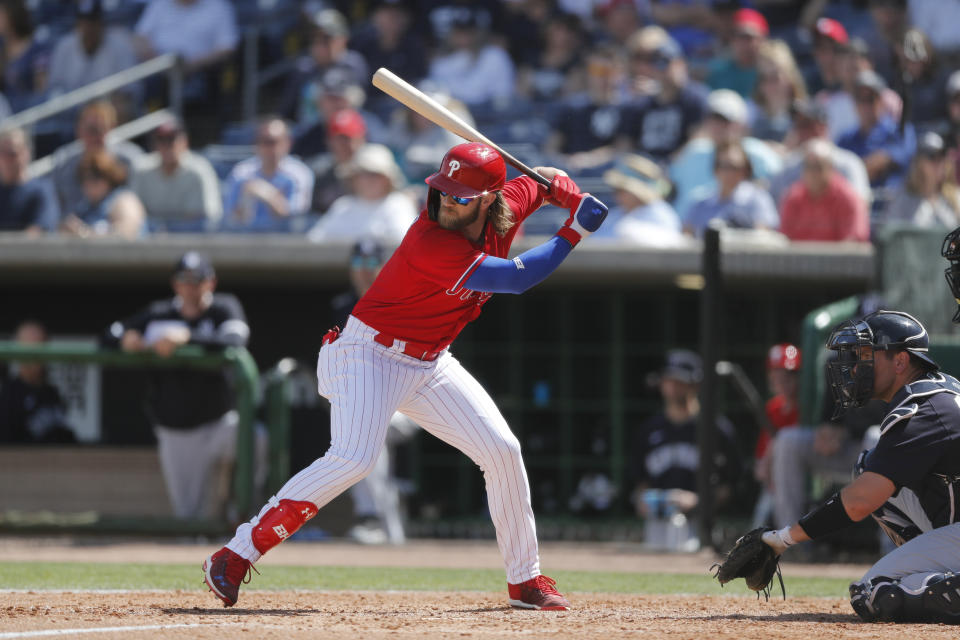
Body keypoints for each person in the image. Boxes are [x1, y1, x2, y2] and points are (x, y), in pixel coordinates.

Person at [202, 141, 609, 611]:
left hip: (429, 360)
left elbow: (537, 178)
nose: (448, 202)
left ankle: (525, 581)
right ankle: (235, 554)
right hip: (367, 353)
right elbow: (516, 277)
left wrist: (560, 188)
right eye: (443, 190)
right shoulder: (429, 240)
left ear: (489, 198)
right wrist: (575, 228)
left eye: (461, 195)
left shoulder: (508, 200)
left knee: (503, 451)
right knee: (354, 458)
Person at [758, 310, 960, 624]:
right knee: (870, 468)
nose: (855, 366)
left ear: (900, 361)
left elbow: (859, 502)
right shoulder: (936, 392)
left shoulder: (924, 407)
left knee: (874, 592)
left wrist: (782, 539)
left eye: (867, 355)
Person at [104, 252, 262, 520]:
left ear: (210, 282)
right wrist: (126, 339)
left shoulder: (223, 307)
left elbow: (234, 340)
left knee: (257, 438)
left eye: (197, 280)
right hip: (176, 430)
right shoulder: (159, 313)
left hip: (218, 423)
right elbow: (110, 333)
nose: (190, 287)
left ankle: (244, 508)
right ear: (175, 284)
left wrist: (188, 337)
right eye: (184, 280)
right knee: (189, 518)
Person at [332, 238, 418, 545]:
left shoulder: (402, 300)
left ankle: (371, 517)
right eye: (358, 264)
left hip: (408, 399)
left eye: (371, 264)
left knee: (364, 426)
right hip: (367, 398)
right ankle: (384, 524)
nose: (365, 271)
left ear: (384, 267)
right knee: (362, 427)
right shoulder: (342, 308)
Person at [629, 350, 741, 542]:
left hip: (702, 524)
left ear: (695, 385)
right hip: (657, 522)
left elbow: (731, 484)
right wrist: (643, 501)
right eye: (668, 380)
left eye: (679, 381)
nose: (673, 386)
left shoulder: (716, 429)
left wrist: (699, 502)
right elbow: (640, 482)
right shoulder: (648, 430)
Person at [668, 89, 782, 217]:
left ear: (740, 124)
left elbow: (778, 186)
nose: (717, 125)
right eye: (712, 118)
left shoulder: (758, 152)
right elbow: (668, 184)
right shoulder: (694, 150)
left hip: (737, 231)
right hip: (684, 229)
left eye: (723, 120)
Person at [618, 26, 708, 162]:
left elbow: (697, 141)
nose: (663, 70)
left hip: (678, 168)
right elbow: (625, 143)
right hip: (643, 168)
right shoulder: (641, 102)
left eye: (667, 63)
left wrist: (669, 166)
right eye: (657, 64)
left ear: (681, 63)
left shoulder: (695, 98)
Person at [307, 143, 416, 245]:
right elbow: (315, 242)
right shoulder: (344, 205)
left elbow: (404, 244)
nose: (369, 180)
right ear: (354, 178)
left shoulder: (398, 204)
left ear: (387, 179)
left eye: (375, 174)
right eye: (363, 174)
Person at [769, 98, 871, 207]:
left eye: (807, 125)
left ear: (824, 127)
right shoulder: (788, 167)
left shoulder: (848, 163)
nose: (803, 132)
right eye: (798, 126)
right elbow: (773, 209)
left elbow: (859, 207)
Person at [51, 100, 144, 216]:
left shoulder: (129, 160)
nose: (96, 136)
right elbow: (57, 208)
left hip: (117, 228)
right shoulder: (63, 162)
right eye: (91, 129)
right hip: (72, 229)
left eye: (101, 129)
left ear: (111, 128)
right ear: (79, 129)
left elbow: (134, 208)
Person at [222, 117, 314, 232]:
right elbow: (231, 220)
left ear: (288, 143)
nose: (272, 148)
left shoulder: (300, 174)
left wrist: (267, 194)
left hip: (285, 242)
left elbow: (294, 222)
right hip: (247, 240)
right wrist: (246, 200)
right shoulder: (241, 172)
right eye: (265, 141)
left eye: (275, 141)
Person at [131, 117, 223, 232]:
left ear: (184, 142)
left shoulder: (199, 171)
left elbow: (208, 218)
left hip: (191, 238)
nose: (167, 145)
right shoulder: (142, 169)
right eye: (161, 140)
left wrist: (167, 230)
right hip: (150, 236)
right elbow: (132, 209)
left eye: (171, 139)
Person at [280, 8, 369, 124]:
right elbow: (286, 112)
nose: (319, 45)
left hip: (343, 133)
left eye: (326, 39)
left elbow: (362, 105)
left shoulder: (353, 64)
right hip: (306, 135)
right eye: (314, 39)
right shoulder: (303, 68)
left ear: (343, 39)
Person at [46, 0, 139, 108]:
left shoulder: (120, 46)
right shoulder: (64, 46)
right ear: (78, 24)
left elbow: (131, 92)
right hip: (71, 111)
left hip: (109, 111)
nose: (88, 28)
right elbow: (54, 89)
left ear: (101, 23)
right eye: (84, 22)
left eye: (93, 22)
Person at [837, 70, 916, 193]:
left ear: (881, 101)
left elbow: (894, 159)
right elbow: (836, 175)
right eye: (860, 99)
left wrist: (856, 169)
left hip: (894, 204)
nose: (865, 105)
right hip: (859, 204)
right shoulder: (845, 138)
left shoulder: (899, 130)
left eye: (870, 99)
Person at [779, 139, 870, 242]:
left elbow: (854, 241)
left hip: (838, 257)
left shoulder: (848, 198)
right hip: (798, 258)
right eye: (808, 166)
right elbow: (784, 238)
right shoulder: (793, 196)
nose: (813, 173)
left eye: (818, 167)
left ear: (831, 168)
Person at [682, 140, 779, 237]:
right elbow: (686, 238)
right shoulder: (699, 203)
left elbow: (764, 236)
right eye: (724, 166)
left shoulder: (759, 199)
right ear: (715, 169)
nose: (729, 173)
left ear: (745, 170)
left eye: (735, 167)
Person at [0, 320, 75, 444]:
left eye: (42, 347)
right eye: (30, 349)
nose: (37, 356)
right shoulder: (9, 395)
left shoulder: (51, 393)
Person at [751, 343, 801, 528]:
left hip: (799, 483)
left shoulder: (806, 407)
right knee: (758, 525)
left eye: (788, 376)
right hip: (772, 485)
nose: (782, 382)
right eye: (776, 376)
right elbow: (761, 459)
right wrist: (763, 467)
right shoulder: (772, 408)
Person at [598, 155, 685, 246]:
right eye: (615, 189)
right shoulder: (614, 215)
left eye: (621, 190)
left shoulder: (662, 214)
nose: (616, 195)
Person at [59, 150, 146, 239]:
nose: (89, 183)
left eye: (95, 177)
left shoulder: (124, 200)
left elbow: (126, 234)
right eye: (84, 178)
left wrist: (85, 233)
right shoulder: (84, 207)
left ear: (109, 177)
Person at [883, 132, 960, 229]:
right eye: (932, 157)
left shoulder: (955, 197)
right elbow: (892, 235)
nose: (939, 163)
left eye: (942, 157)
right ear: (919, 163)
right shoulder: (902, 198)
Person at [0, 127, 59, 233]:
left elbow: (39, 231)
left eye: (13, 153)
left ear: (26, 153)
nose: (7, 159)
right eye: (3, 153)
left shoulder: (42, 191)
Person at [705, 8, 768, 99]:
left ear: (762, 39)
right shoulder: (717, 72)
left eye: (747, 37)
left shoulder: (770, 74)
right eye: (735, 34)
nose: (741, 42)